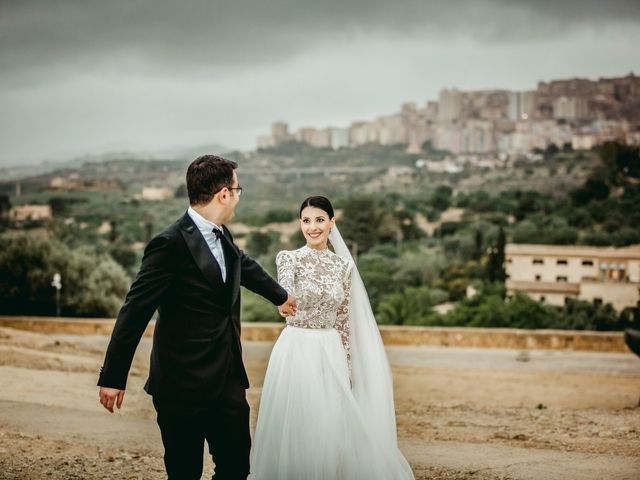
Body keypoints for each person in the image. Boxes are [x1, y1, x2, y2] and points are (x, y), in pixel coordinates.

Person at [97, 154, 297, 480]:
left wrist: (283, 296)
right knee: (185, 472)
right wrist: (113, 376)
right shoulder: (168, 244)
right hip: (180, 384)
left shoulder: (223, 234)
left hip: (228, 378)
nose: (238, 196)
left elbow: (243, 266)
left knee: (236, 468)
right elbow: (135, 310)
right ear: (223, 194)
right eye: (237, 189)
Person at [251, 196, 414, 480]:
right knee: (299, 421)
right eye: (306, 221)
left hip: (331, 348)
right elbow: (285, 293)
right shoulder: (289, 259)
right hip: (297, 347)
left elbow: (343, 322)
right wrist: (283, 300)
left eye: (319, 220)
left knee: (330, 421)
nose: (312, 227)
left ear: (331, 223)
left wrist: (348, 366)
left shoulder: (344, 267)